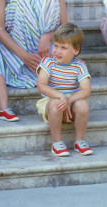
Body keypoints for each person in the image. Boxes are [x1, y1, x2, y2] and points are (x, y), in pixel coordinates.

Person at [36, 23, 92, 157]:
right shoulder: (48, 62)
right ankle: (57, 143)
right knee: (56, 104)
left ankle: (79, 140)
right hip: (51, 101)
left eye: (63, 48)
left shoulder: (79, 66)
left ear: (75, 50)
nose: (57, 51)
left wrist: (68, 100)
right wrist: (61, 96)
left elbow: (86, 90)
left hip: (70, 102)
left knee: (83, 105)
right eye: (55, 46)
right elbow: (41, 85)